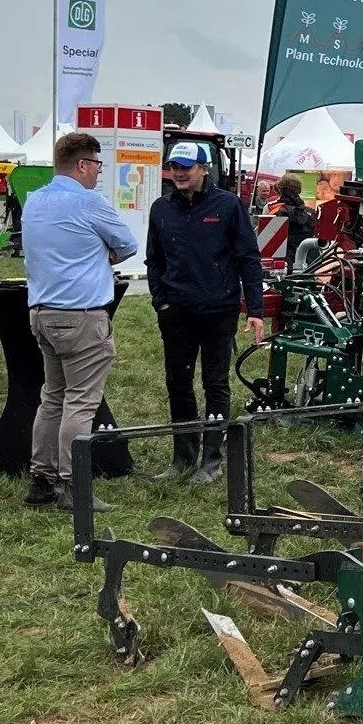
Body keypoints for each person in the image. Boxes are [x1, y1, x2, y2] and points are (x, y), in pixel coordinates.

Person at [21, 131, 138, 512]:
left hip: (42, 312)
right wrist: (99, 256)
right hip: (82, 315)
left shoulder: (34, 201)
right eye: (98, 166)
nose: (98, 174)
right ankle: (74, 488)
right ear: (83, 165)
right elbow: (127, 245)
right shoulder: (90, 202)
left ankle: (41, 479)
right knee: (80, 402)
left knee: (52, 397)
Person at [146, 143, 267, 483]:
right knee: (178, 382)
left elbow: (247, 258)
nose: (179, 173)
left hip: (218, 311)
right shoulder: (161, 208)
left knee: (215, 383)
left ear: (204, 168)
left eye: (186, 166)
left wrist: (254, 309)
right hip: (176, 312)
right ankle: (182, 458)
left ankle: (211, 462)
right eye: (173, 166)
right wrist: (161, 300)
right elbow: (153, 259)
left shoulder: (227, 205)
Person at [276, 174, 318, 262]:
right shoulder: (312, 213)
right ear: (299, 189)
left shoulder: (275, 211)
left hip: (284, 263)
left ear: (281, 190)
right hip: (310, 263)